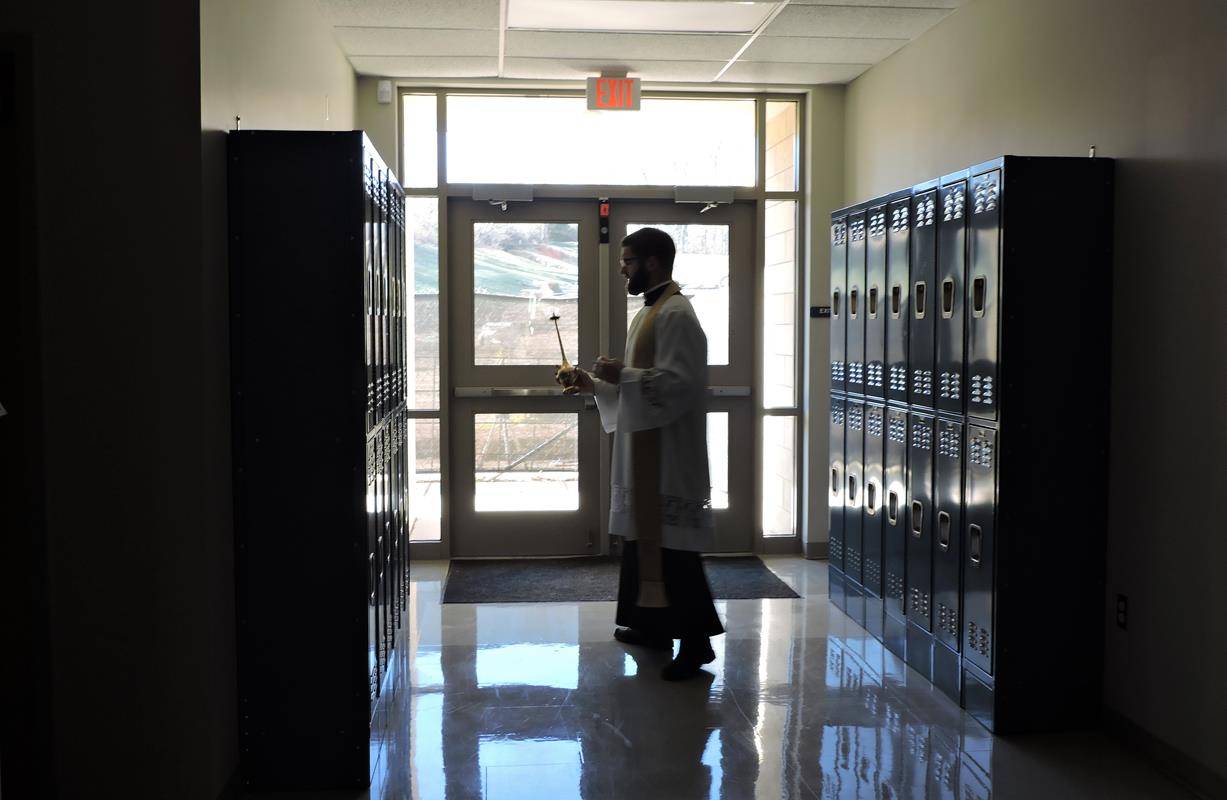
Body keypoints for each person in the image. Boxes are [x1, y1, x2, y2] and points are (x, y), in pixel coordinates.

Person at [556, 227, 723, 680]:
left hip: (669, 454)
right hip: (644, 449)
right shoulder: (646, 314)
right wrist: (594, 384)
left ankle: (696, 645)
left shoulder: (676, 314)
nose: (622, 268)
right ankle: (652, 627)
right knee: (640, 541)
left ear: (651, 261)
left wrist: (622, 372)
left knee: (673, 549)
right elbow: (637, 381)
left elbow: (679, 385)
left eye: (627, 260)